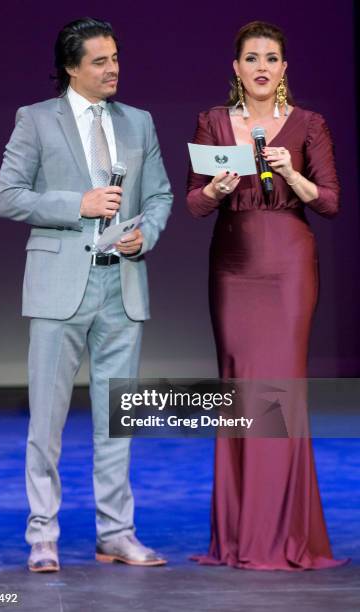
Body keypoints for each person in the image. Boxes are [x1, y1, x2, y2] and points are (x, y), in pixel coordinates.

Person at [0, 17, 172, 572]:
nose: (113, 68)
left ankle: (116, 533)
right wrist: (78, 204)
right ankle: (42, 535)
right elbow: (8, 196)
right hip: (59, 286)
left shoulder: (139, 122)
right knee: (46, 420)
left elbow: (161, 194)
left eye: (115, 57)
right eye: (100, 60)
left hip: (121, 283)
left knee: (117, 418)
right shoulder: (36, 120)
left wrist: (147, 236)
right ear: (71, 67)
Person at [187, 21, 346, 570]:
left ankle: (284, 533)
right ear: (235, 68)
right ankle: (237, 536)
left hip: (288, 266)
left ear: (283, 68)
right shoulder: (213, 122)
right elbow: (193, 203)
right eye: (251, 57)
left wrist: (292, 176)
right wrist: (214, 189)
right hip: (233, 267)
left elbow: (328, 202)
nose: (261, 66)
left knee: (279, 392)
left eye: (271, 58)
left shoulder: (308, 124)